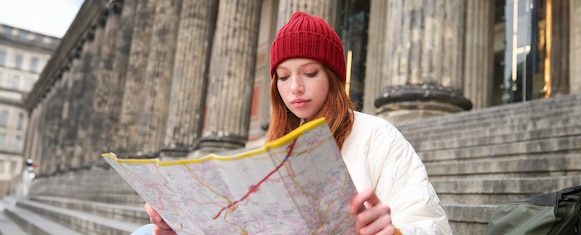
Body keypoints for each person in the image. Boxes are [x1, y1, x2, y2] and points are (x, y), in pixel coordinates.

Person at [134, 11, 452, 235]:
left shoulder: (377, 136)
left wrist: (392, 230)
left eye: (310, 73)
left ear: (333, 76)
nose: (295, 88)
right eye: (283, 77)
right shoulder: (271, 147)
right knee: (146, 232)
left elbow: (433, 226)